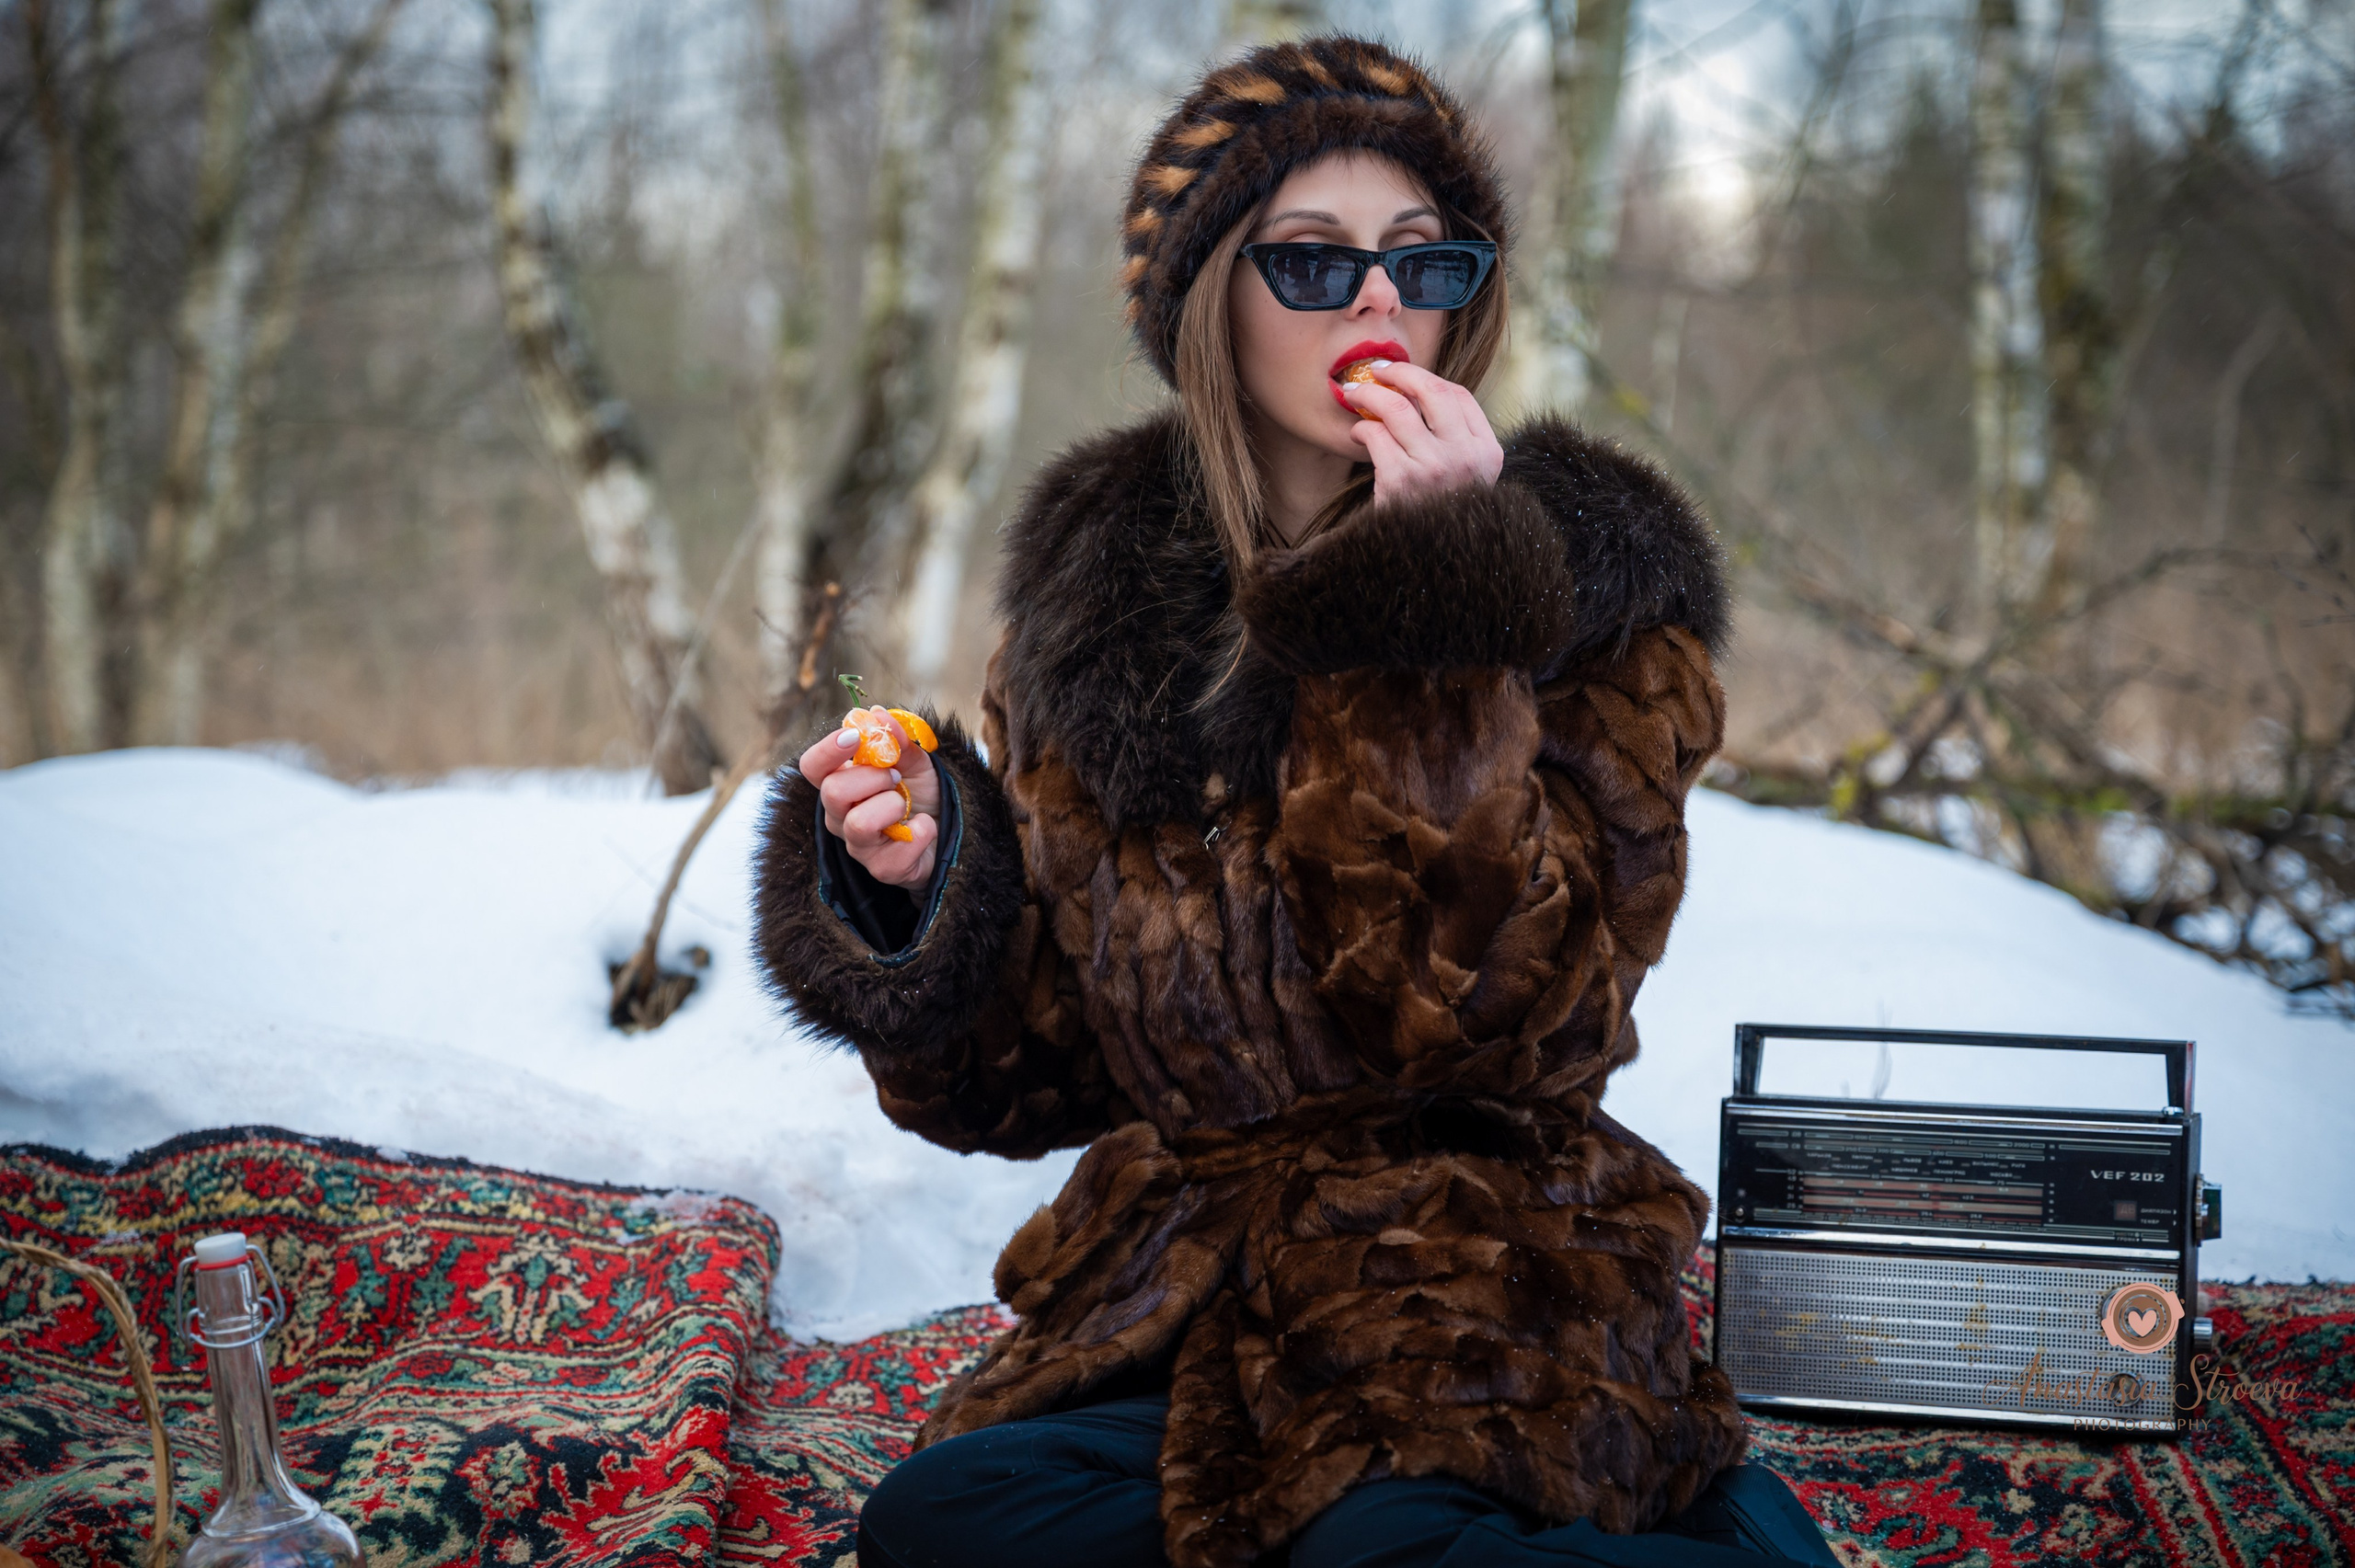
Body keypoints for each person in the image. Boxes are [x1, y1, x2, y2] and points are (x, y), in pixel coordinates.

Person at [751, 33, 1840, 1568]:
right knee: (942, 1525)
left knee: (1376, 1540)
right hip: (1202, 1287)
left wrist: (1436, 606)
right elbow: (1043, 1077)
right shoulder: (1090, 614)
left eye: (1423, 260)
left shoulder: (1591, 599)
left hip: (1479, 1275)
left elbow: (1493, 1019)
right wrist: (918, 889)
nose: (1381, 302)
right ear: (1209, 301)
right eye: (1316, 263)